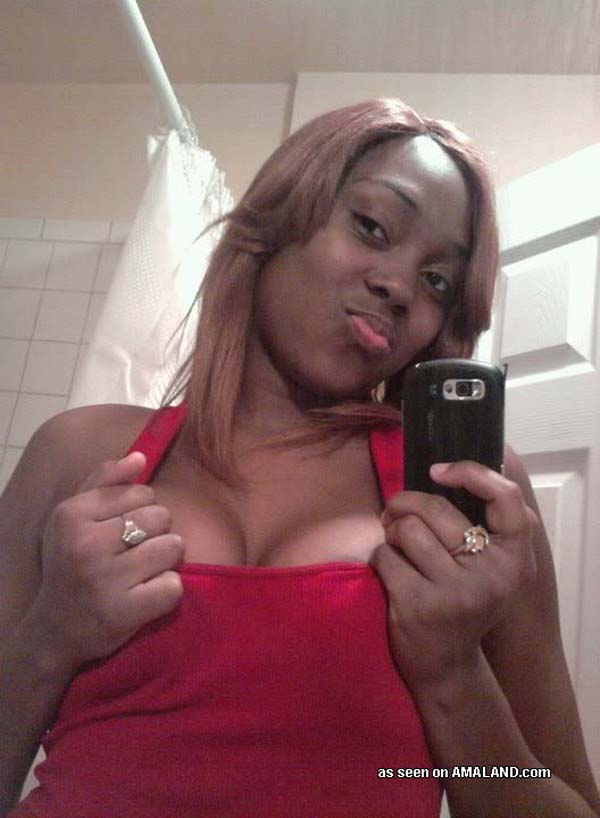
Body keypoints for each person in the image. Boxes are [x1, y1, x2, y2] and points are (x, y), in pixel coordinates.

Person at [0, 98, 598, 818]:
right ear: (278, 218)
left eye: (438, 280)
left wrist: (452, 673)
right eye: (373, 226)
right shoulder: (74, 451)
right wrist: (50, 636)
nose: (400, 286)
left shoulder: (466, 495)